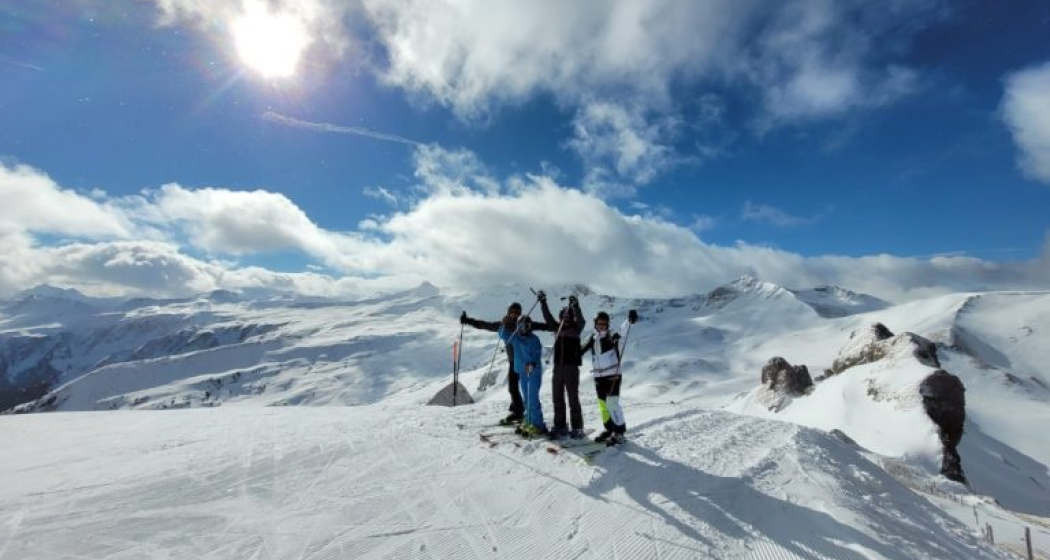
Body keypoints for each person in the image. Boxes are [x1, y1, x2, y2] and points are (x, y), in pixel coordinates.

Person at [461, 302, 525, 425]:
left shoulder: (522, 325)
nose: (515, 315)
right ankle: (518, 409)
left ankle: (519, 412)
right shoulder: (503, 325)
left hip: (523, 361)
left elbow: (538, 327)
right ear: (509, 312)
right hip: (513, 361)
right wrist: (468, 321)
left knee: (515, 387)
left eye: (517, 313)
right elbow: (484, 325)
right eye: (513, 312)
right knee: (514, 387)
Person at [580, 309, 637, 446]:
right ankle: (609, 429)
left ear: (608, 325)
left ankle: (619, 433)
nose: (602, 326)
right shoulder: (592, 339)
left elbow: (622, 331)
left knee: (612, 403)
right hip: (598, 376)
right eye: (599, 324)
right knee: (603, 405)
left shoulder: (612, 337)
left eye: (604, 324)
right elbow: (580, 350)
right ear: (595, 324)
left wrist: (629, 321)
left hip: (613, 375)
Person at [540, 294, 587, 440]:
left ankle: (577, 427)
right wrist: (543, 302)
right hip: (558, 367)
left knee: (573, 397)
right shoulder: (557, 328)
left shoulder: (576, 329)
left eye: (568, 316)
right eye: (563, 316)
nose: (565, 318)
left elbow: (581, 320)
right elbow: (548, 318)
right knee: (557, 397)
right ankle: (560, 426)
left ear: (572, 317)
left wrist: (576, 306)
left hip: (571, 367)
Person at [506, 315, 549, 437]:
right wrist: (505, 324)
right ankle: (529, 421)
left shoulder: (533, 339)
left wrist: (532, 363)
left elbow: (536, 353)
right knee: (526, 399)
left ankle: (538, 425)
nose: (524, 328)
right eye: (521, 326)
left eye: (526, 326)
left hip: (533, 372)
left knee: (532, 398)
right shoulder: (516, 338)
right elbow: (503, 335)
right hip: (523, 372)